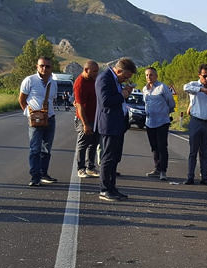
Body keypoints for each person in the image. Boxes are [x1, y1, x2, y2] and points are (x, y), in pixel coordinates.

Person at [95, 58, 135, 201]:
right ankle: (104, 189)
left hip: (118, 124)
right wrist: (122, 95)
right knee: (108, 158)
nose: (125, 80)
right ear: (118, 71)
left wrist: (125, 93)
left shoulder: (116, 80)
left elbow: (118, 100)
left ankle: (112, 187)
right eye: (125, 77)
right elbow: (105, 101)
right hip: (109, 125)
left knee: (114, 158)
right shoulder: (104, 79)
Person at [19, 56, 57, 187]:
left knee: (46, 148)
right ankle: (35, 177)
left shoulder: (53, 82)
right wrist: (29, 114)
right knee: (35, 149)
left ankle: (43, 173)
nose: (44, 68)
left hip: (50, 118)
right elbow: (22, 99)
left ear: (51, 68)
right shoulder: (29, 80)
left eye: (47, 66)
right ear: (37, 67)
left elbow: (52, 99)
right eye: (42, 66)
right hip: (35, 120)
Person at [183, 63, 207, 185]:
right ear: (199, 75)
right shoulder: (194, 85)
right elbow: (185, 87)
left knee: (205, 152)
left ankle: (204, 177)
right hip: (196, 121)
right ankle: (190, 177)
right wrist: (202, 89)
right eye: (204, 76)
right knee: (193, 151)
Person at [142, 66, 175, 181]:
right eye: (147, 75)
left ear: (156, 76)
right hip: (149, 122)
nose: (149, 77)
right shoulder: (144, 89)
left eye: (151, 74)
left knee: (162, 147)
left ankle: (163, 171)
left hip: (162, 122)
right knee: (154, 147)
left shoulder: (162, 87)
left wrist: (164, 113)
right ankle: (157, 168)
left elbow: (171, 103)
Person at [73, 60, 99, 179]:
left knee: (93, 143)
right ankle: (81, 168)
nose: (96, 73)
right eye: (94, 71)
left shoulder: (93, 80)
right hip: (84, 119)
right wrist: (85, 124)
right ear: (86, 70)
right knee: (83, 144)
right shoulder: (80, 83)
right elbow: (79, 106)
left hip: (95, 118)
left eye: (97, 71)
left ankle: (90, 167)